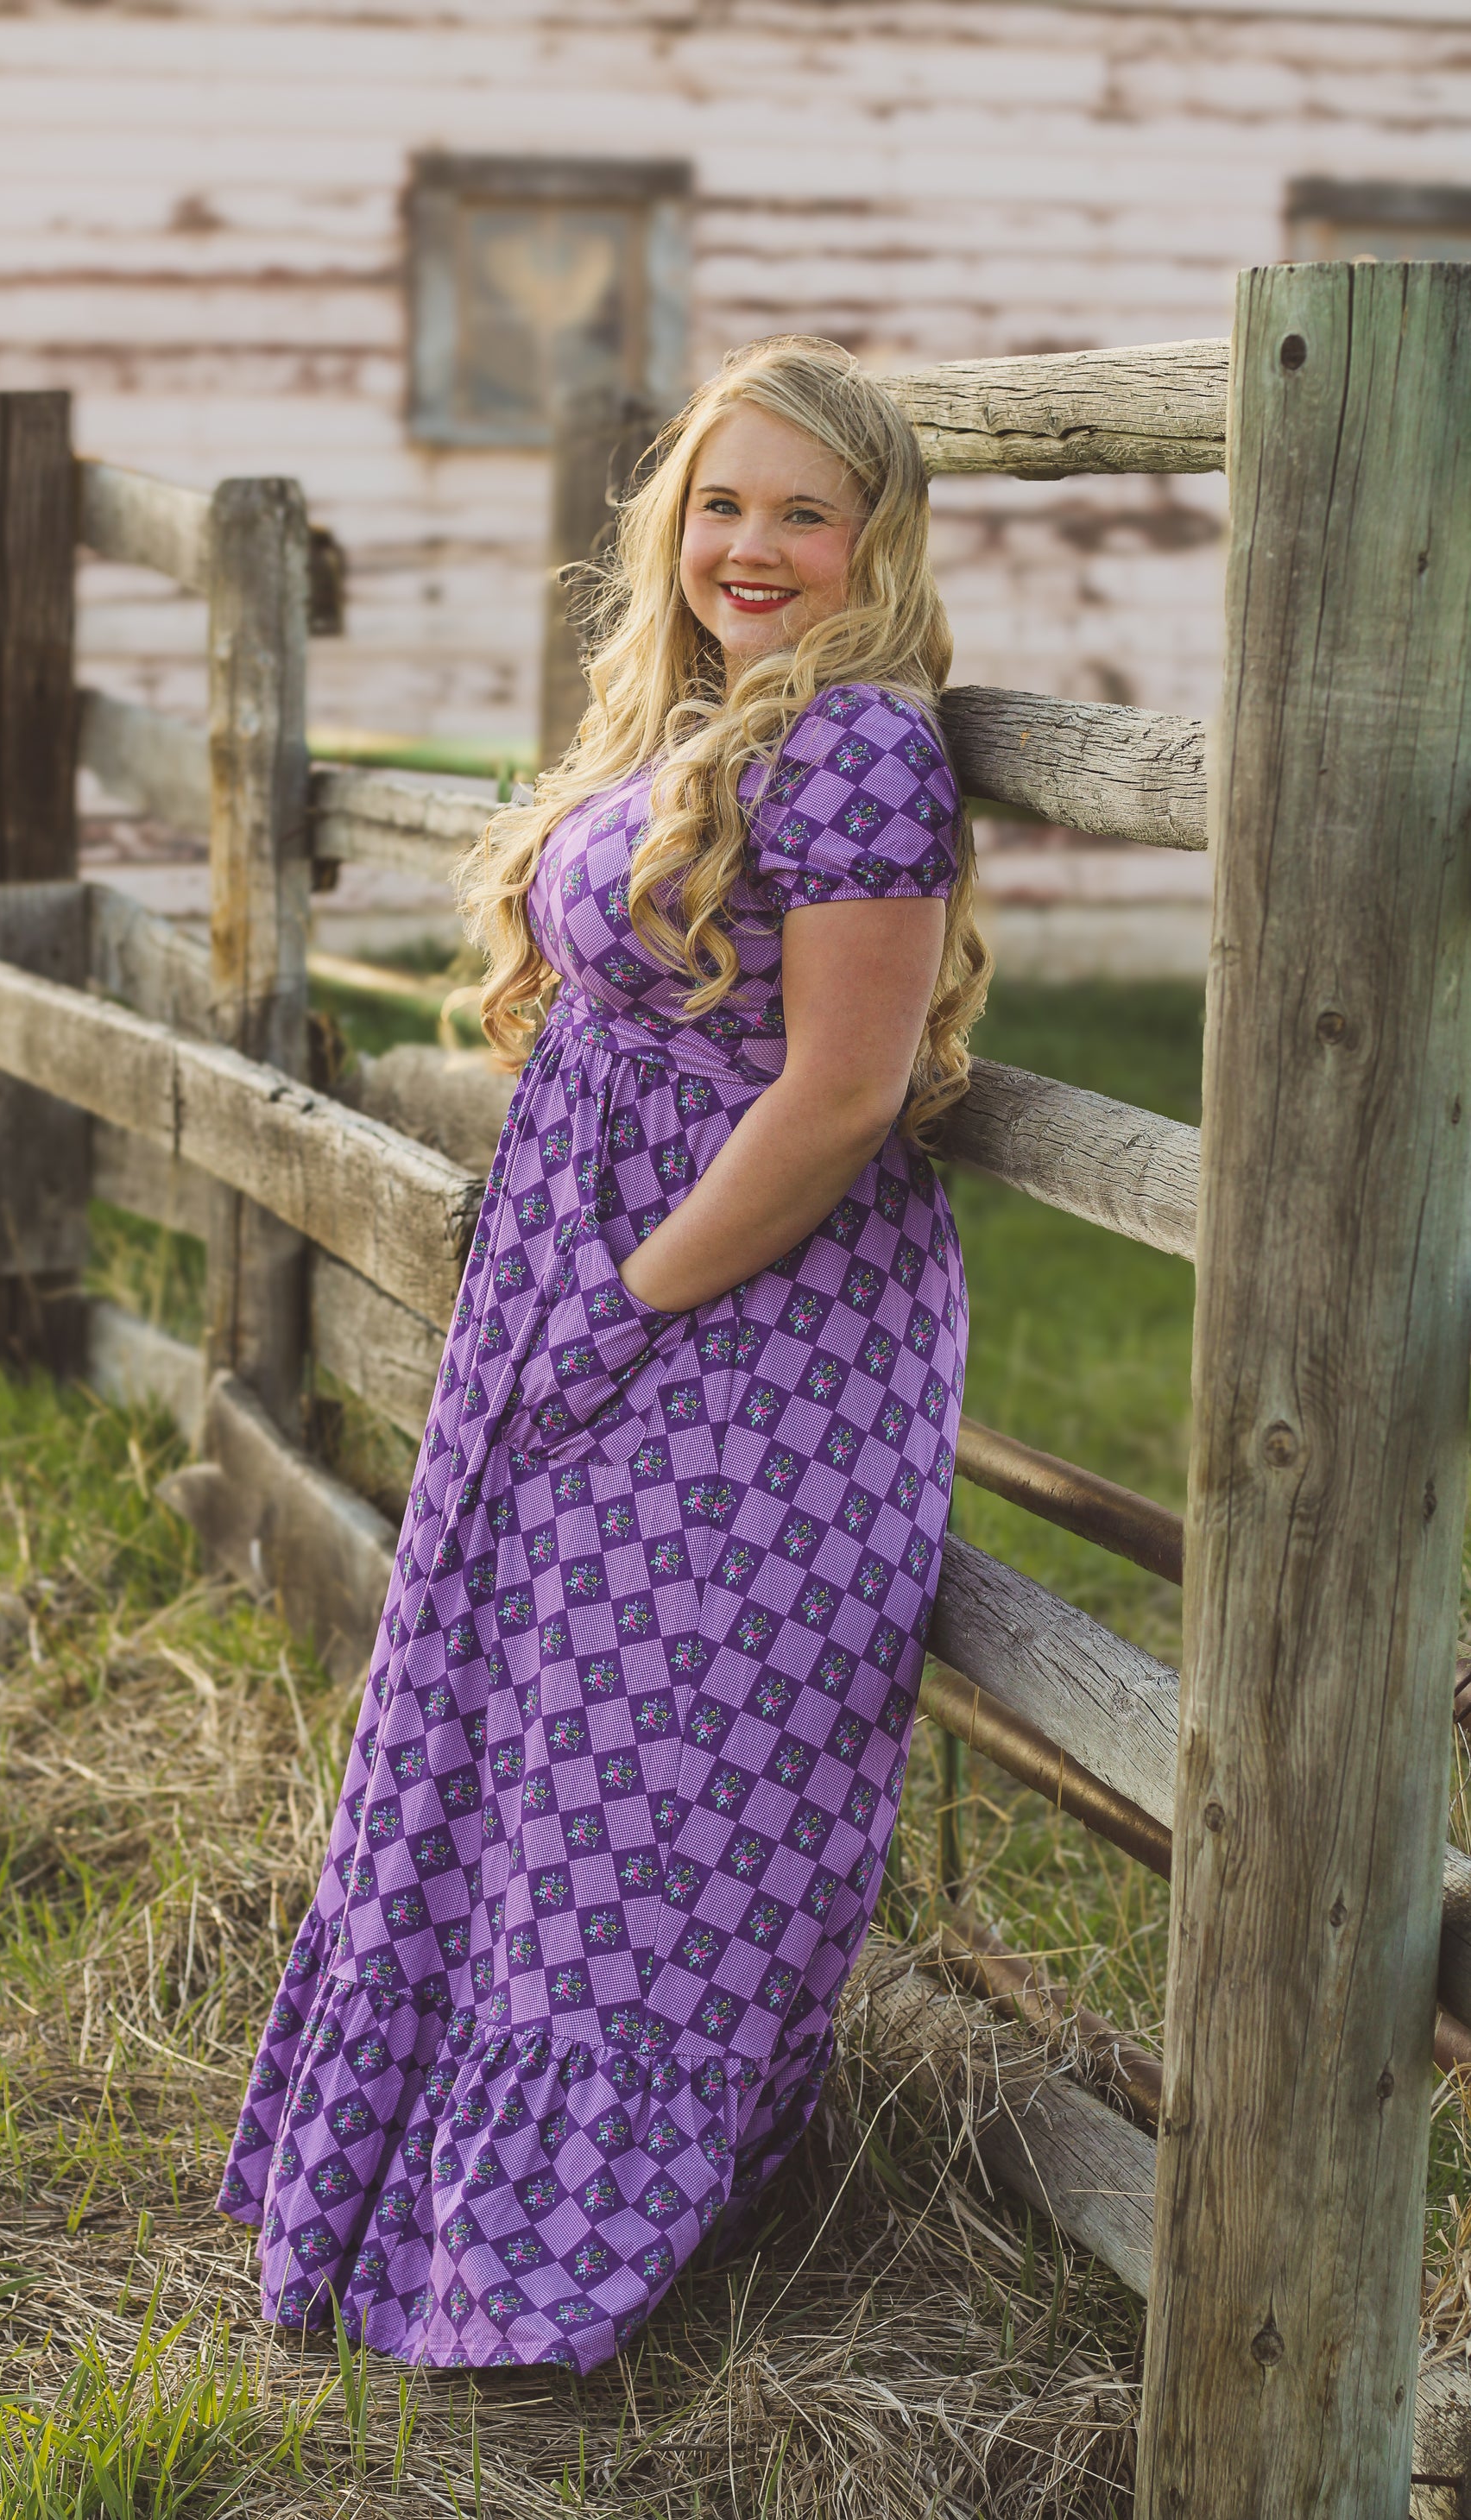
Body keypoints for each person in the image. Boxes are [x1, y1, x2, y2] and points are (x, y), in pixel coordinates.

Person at [218, 334, 990, 2372]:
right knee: (502, 1751)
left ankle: (555, 2271)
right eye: (722, 501)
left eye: (802, 511)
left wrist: (629, 1302)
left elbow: (837, 1096)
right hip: (581, 1301)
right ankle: (429, 2224)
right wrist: (564, 1305)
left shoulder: (860, 751)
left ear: (873, 540)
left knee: (635, 1804)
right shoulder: (689, 716)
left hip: (745, 1338)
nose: (752, 543)